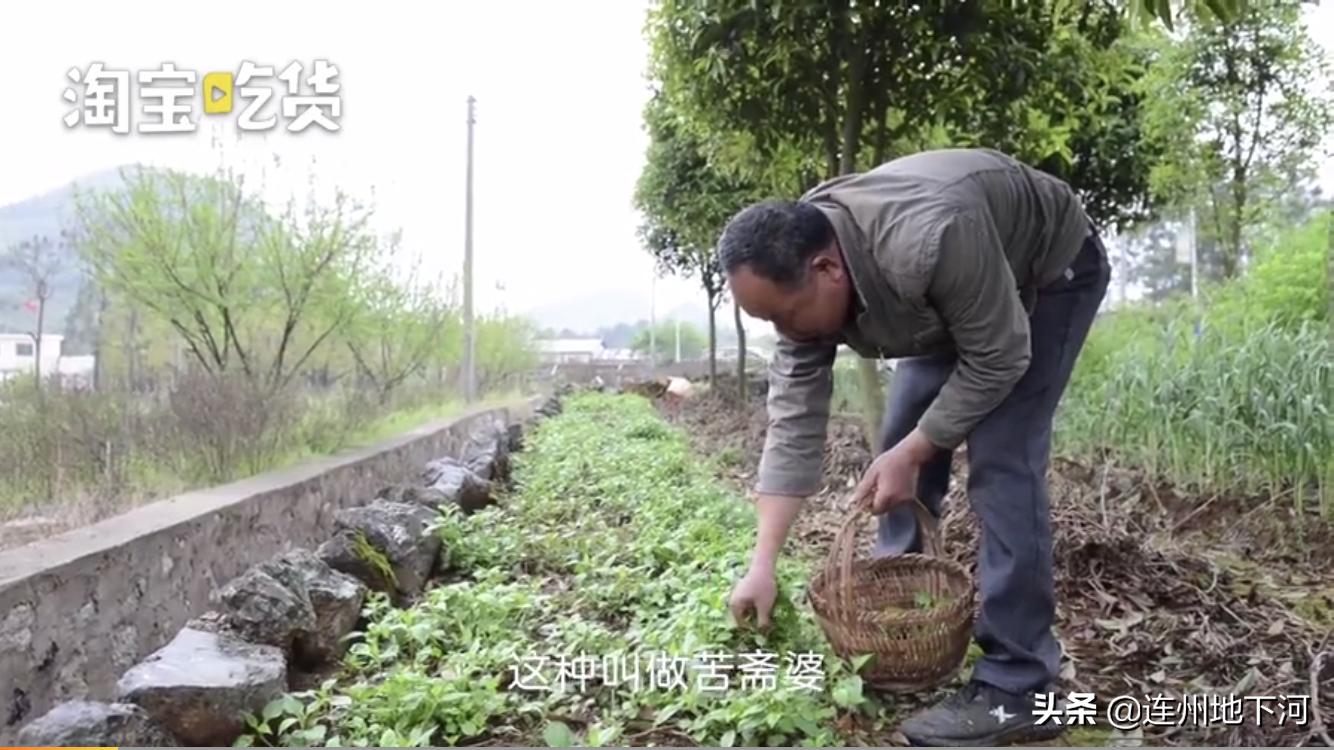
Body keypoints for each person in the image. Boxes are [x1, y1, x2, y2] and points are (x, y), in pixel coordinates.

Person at [719, 147, 1110, 747]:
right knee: (902, 435)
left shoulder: (929, 238)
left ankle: (1020, 684)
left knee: (1002, 458)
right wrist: (762, 564)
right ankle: (901, 622)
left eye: (789, 316)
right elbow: (794, 425)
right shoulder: (800, 286)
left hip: (1047, 272)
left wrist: (917, 449)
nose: (786, 333)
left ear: (828, 270)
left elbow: (1001, 356)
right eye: (770, 321)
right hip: (952, 292)